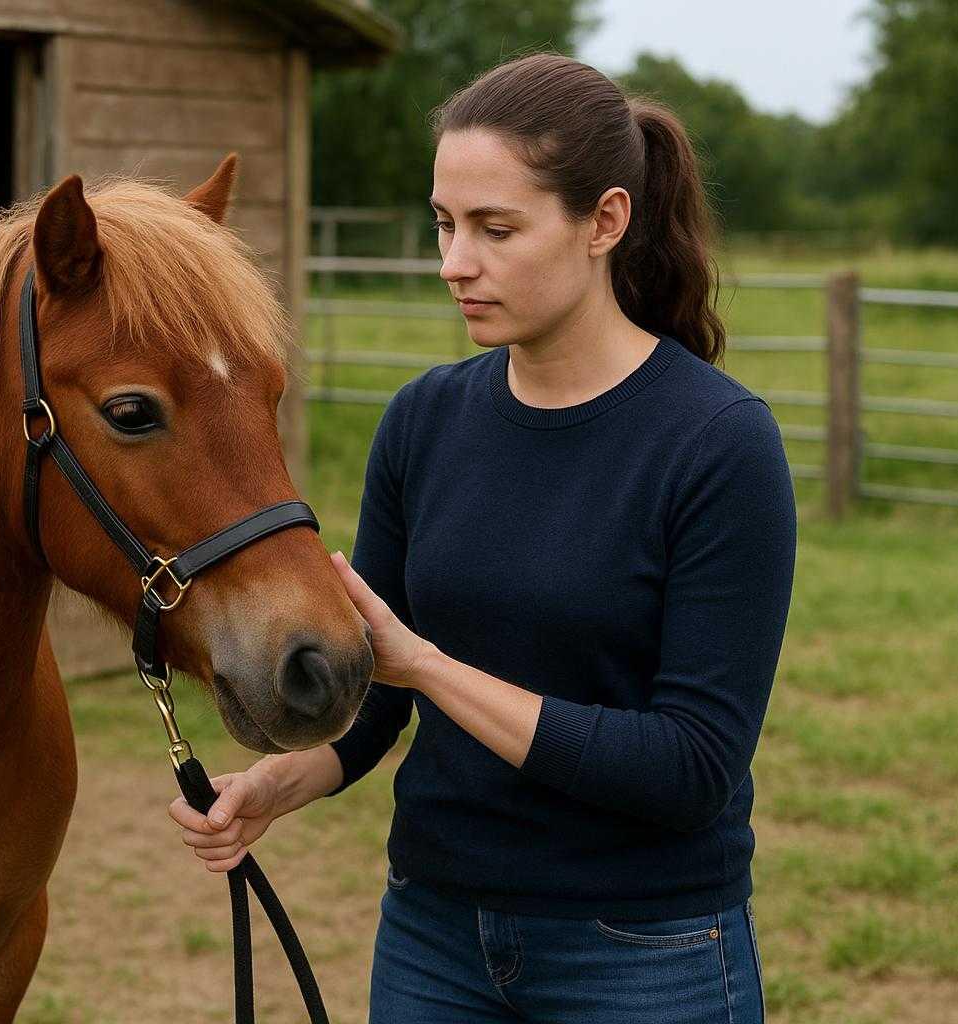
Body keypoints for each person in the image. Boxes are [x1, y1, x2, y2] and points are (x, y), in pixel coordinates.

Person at [169, 52, 794, 1023]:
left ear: (606, 222)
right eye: (445, 224)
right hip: (433, 938)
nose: (456, 261)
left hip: (646, 952)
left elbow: (689, 770)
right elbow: (378, 708)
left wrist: (427, 668)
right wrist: (279, 784)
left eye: (496, 228)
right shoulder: (422, 421)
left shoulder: (717, 444)